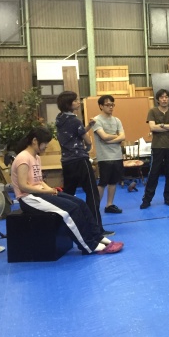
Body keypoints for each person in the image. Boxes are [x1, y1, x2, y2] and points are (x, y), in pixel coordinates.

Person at [10, 127, 123, 255]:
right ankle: (90, 245)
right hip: (28, 198)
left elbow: (39, 181)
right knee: (70, 210)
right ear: (35, 141)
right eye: (45, 143)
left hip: (39, 194)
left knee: (80, 203)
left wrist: (50, 190)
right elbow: (23, 186)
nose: (46, 147)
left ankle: (97, 237)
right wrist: (46, 192)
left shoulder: (36, 157)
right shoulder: (23, 158)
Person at [55, 91, 113, 237]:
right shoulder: (74, 120)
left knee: (68, 194)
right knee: (92, 194)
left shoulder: (59, 119)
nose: (78, 102)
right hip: (80, 161)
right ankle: (96, 229)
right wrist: (88, 147)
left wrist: (88, 126)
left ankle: (64, 229)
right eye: (75, 101)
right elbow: (86, 140)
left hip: (67, 162)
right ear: (69, 104)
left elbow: (75, 134)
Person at [140, 89, 169, 209]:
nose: (164, 99)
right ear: (158, 99)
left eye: (166, 97)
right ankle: (147, 200)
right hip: (157, 147)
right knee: (153, 174)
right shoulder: (152, 111)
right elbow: (152, 128)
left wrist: (161, 125)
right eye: (162, 97)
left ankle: (168, 198)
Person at [92, 95, 125, 214]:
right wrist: (117, 137)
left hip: (117, 155)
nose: (111, 107)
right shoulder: (96, 120)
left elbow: (123, 136)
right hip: (104, 157)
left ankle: (109, 205)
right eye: (107, 105)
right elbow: (103, 136)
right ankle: (95, 207)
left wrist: (109, 140)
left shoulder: (117, 120)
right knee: (103, 182)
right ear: (101, 106)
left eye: (112, 105)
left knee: (113, 182)